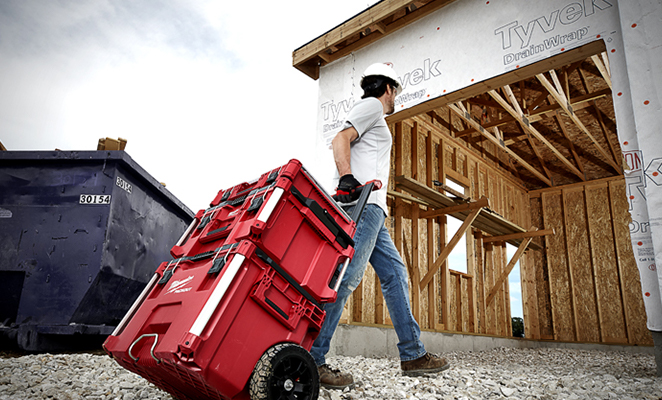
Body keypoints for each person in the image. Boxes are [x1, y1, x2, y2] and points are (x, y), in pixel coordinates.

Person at [312, 63, 450, 390]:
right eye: (395, 93)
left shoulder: (373, 113)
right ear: (387, 88)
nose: (394, 100)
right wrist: (347, 177)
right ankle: (313, 359)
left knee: (394, 274)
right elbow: (340, 139)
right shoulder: (373, 105)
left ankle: (413, 354)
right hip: (362, 205)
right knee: (346, 279)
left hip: (374, 210)